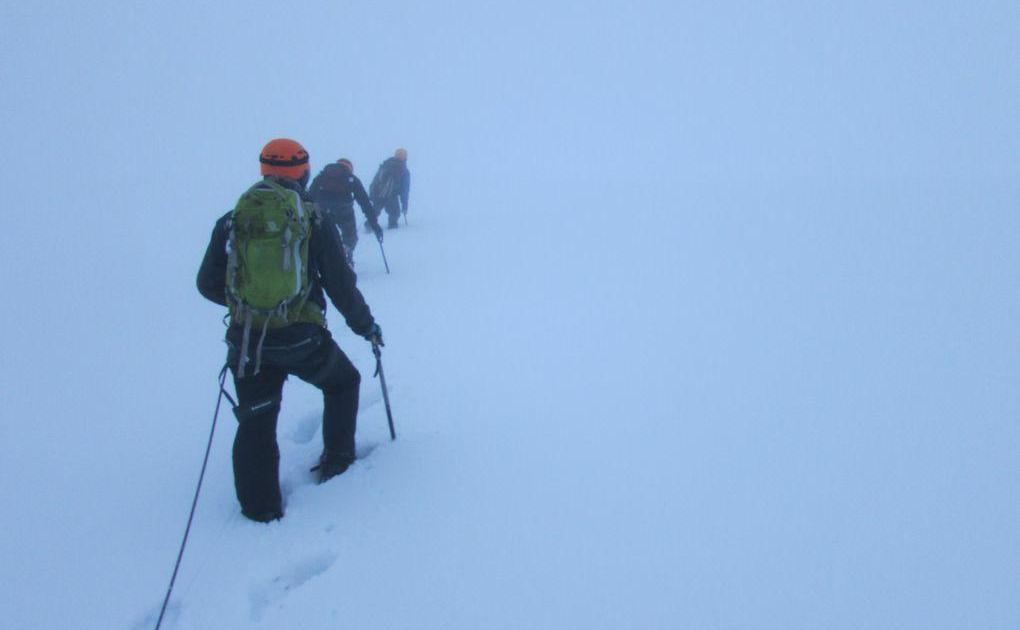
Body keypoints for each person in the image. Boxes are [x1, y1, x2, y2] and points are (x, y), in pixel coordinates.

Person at [197, 138, 383, 523]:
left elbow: (207, 283)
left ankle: (259, 509)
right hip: (302, 338)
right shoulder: (313, 221)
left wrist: (248, 306)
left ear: (264, 170)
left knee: (256, 418)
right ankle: (337, 461)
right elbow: (341, 286)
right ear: (303, 172)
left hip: (249, 341)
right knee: (343, 382)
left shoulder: (234, 221)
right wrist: (366, 328)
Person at [309, 158, 383, 267]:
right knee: (349, 235)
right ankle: (347, 253)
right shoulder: (351, 179)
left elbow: (310, 196)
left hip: (322, 210)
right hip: (344, 210)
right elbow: (365, 202)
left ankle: (323, 258)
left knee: (323, 234)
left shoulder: (321, 177)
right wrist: (374, 224)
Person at [368, 148, 411, 229]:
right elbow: (405, 190)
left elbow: (376, 180)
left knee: (375, 210)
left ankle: (369, 225)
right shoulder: (404, 171)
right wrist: (404, 205)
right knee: (394, 213)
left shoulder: (386, 165)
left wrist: (371, 193)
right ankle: (392, 227)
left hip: (378, 193)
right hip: (391, 196)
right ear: (405, 158)